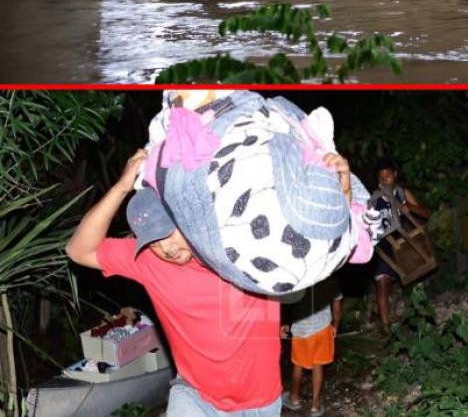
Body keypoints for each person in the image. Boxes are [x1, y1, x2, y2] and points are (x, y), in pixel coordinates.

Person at [66, 149, 306, 415]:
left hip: (257, 402)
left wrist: (341, 195)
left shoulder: (242, 245)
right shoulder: (147, 260)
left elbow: (313, 240)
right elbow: (78, 250)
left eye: (169, 232)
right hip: (194, 393)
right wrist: (122, 187)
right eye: (153, 240)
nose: (165, 248)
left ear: (189, 218)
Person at [369, 158, 425, 329]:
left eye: (388, 176)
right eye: (381, 177)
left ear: (395, 174)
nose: (385, 180)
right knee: (382, 283)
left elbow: (424, 213)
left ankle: (379, 312)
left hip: (401, 242)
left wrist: (409, 208)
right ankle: (386, 327)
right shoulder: (374, 198)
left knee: (400, 279)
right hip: (381, 244)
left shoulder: (402, 193)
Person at [283, 279, 343, 417]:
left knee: (298, 365)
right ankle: (315, 406)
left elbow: (287, 303)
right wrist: (336, 325)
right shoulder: (329, 278)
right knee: (318, 365)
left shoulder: (298, 278)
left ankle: (294, 398)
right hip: (322, 328)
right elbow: (337, 305)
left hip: (301, 328)